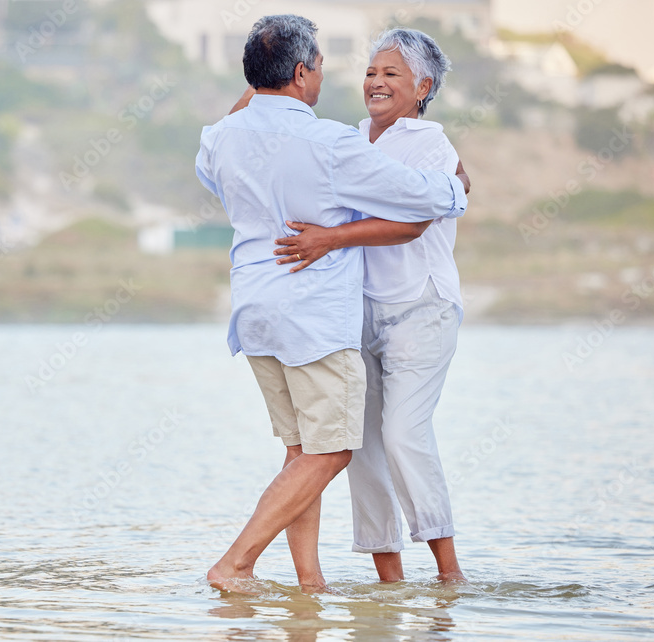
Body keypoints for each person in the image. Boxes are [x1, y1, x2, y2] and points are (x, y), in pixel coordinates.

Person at [195, 15, 467, 593]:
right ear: (301, 72)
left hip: (256, 314)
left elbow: (216, 156)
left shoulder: (220, 138)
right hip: (314, 319)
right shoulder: (331, 142)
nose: (330, 75)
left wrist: (262, 78)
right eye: (318, 64)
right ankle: (236, 563)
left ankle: (310, 586)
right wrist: (454, 186)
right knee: (333, 451)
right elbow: (423, 198)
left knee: (301, 452)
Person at [273, 28, 468, 583]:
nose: (376, 83)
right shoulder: (351, 138)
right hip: (358, 312)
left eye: (391, 74)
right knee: (363, 449)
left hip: (421, 307)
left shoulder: (430, 140)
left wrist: (329, 239)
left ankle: (450, 577)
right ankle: (390, 582)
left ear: (422, 86)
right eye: (370, 73)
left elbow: (415, 222)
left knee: (405, 435)